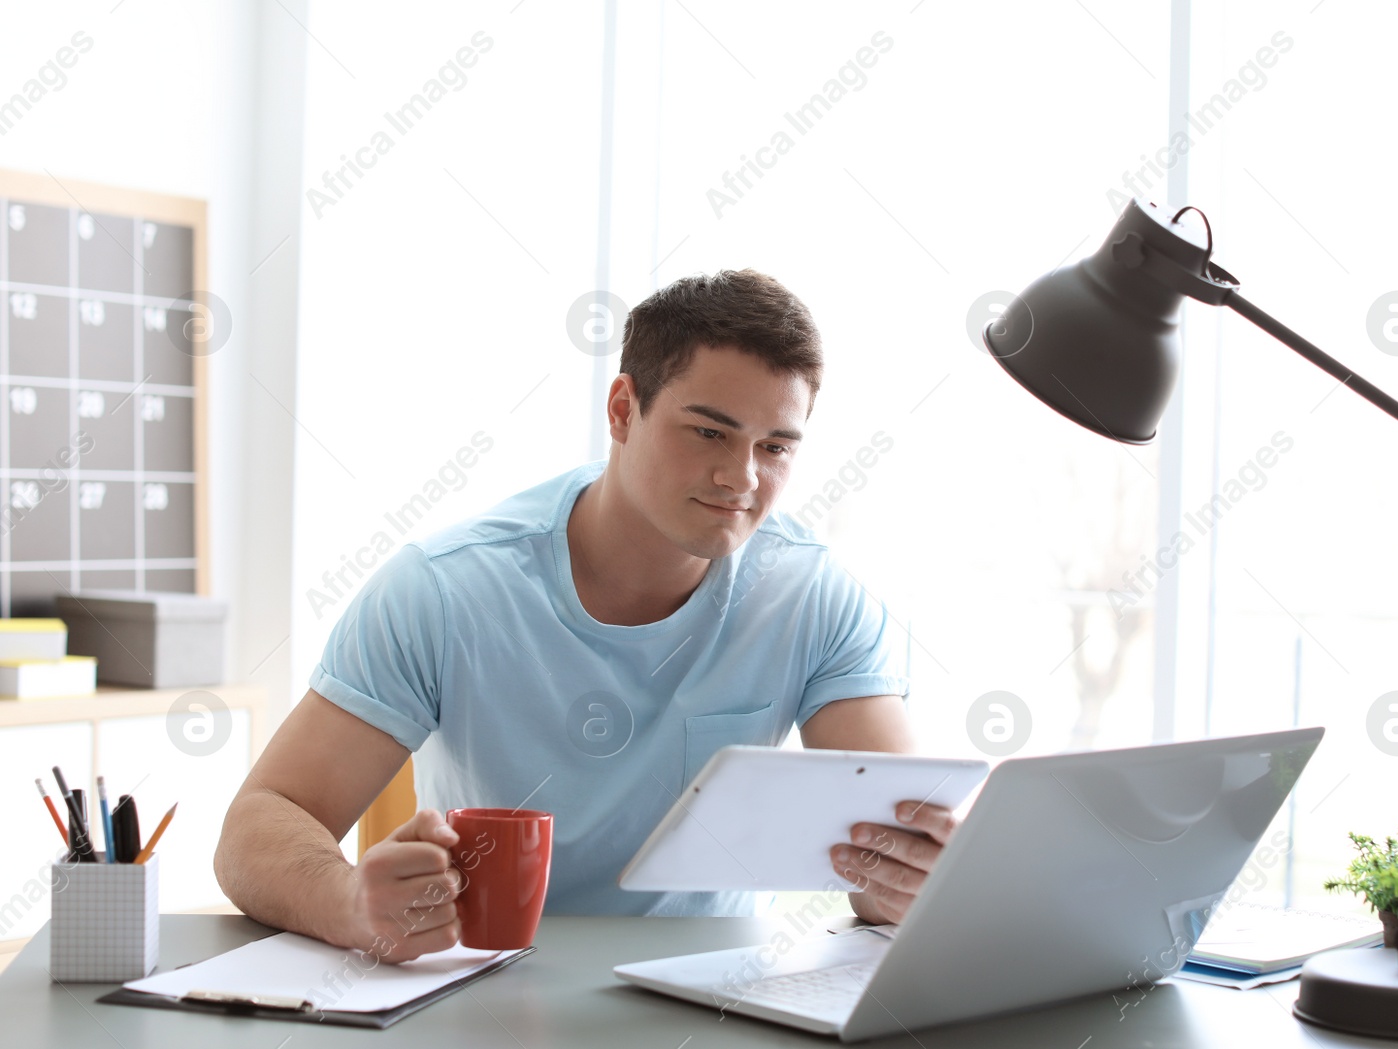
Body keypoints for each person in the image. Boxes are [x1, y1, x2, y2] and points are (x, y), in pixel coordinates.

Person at [215, 269, 957, 963]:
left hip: (709, 997)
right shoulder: (443, 589)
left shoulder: (813, 593)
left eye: (776, 446)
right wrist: (350, 901)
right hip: (492, 983)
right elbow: (258, 825)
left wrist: (906, 884)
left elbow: (896, 840)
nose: (743, 478)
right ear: (622, 409)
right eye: (710, 432)